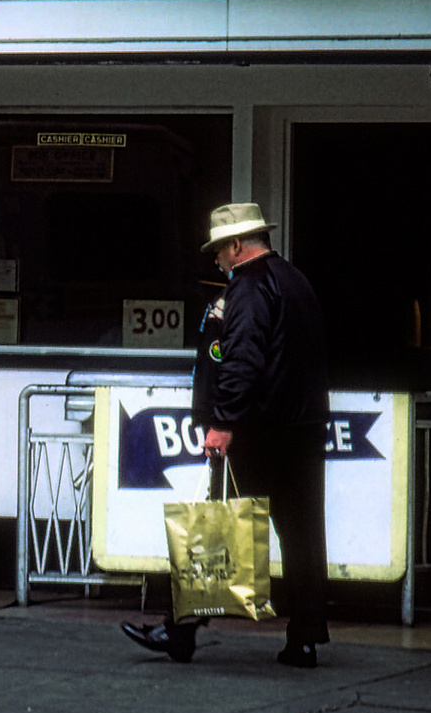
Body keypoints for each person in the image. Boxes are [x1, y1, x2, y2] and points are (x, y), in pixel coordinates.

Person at [122, 202, 331, 668]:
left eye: (219, 249)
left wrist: (222, 423)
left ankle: (180, 630)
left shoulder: (249, 289)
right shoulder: (296, 281)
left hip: (256, 433)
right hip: (302, 429)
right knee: (302, 536)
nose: (216, 259)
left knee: (213, 533)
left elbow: (241, 361)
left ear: (237, 245)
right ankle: (305, 637)